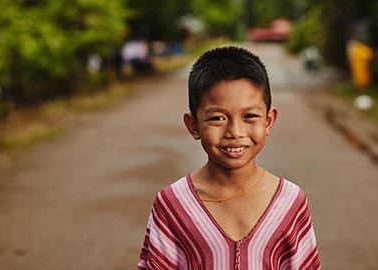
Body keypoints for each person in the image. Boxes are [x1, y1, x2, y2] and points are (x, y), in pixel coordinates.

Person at [137, 46, 320, 269]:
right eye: (217, 118)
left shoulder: (291, 202)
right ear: (193, 125)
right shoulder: (173, 205)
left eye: (250, 116)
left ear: (269, 120)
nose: (235, 131)